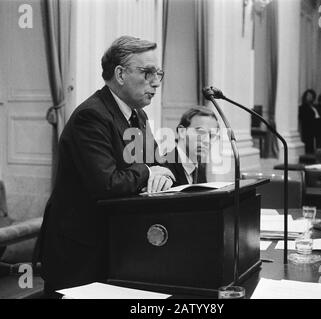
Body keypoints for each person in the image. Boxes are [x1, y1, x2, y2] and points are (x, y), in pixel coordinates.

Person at [35, 36, 176, 296]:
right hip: (80, 253)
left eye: (158, 73)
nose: (155, 82)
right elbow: (107, 183)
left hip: (117, 244)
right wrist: (148, 172)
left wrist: (161, 174)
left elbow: (157, 164)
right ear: (120, 74)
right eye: (147, 73)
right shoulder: (92, 116)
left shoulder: (138, 115)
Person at [164, 107, 220, 186]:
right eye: (200, 132)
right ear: (182, 132)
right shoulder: (164, 166)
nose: (207, 141)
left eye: (211, 135)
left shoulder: (199, 166)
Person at [298, 89, 321, 154]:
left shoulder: (315, 106)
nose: (310, 97)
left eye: (311, 95)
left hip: (317, 127)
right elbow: (304, 118)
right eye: (308, 95)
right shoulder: (302, 107)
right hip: (308, 128)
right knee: (309, 143)